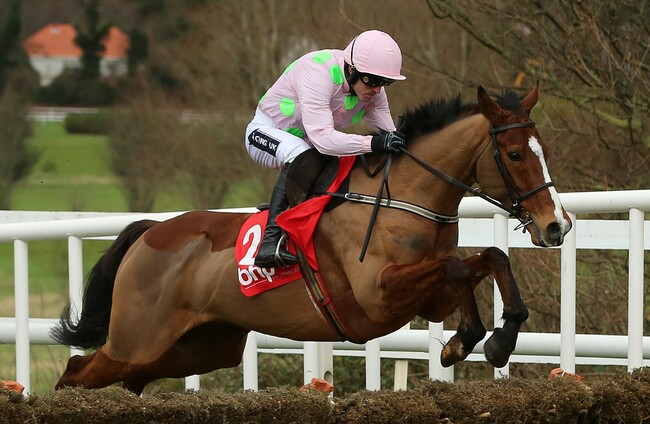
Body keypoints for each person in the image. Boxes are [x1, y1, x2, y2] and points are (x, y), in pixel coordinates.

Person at [244, 29, 407, 269]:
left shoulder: (374, 92)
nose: (376, 89)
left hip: (309, 147)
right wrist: (372, 143)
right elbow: (323, 139)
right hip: (264, 132)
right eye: (372, 80)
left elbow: (389, 135)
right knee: (301, 153)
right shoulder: (317, 71)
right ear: (351, 69)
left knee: (331, 161)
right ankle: (270, 242)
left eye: (385, 82)